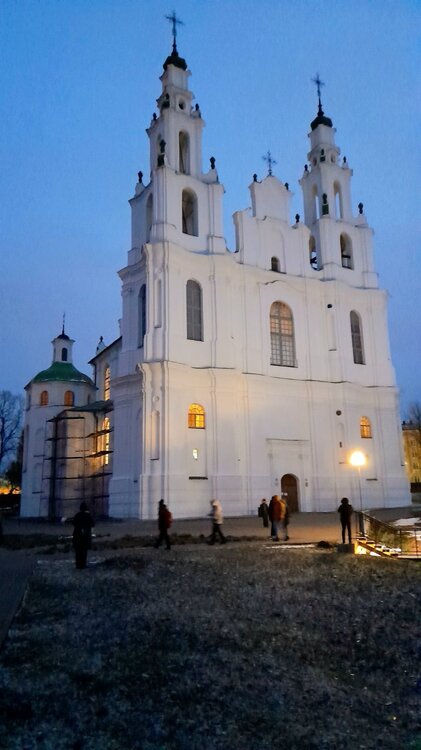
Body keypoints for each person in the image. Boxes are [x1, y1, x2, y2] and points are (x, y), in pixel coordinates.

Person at [72, 502, 94, 569]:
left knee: (78, 552)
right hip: (85, 536)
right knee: (84, 552)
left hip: (77, 536)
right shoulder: (88, 515)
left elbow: (74, 523)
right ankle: (83, 565)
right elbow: (92, 524)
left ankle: (78, 565)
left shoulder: (77, 515)